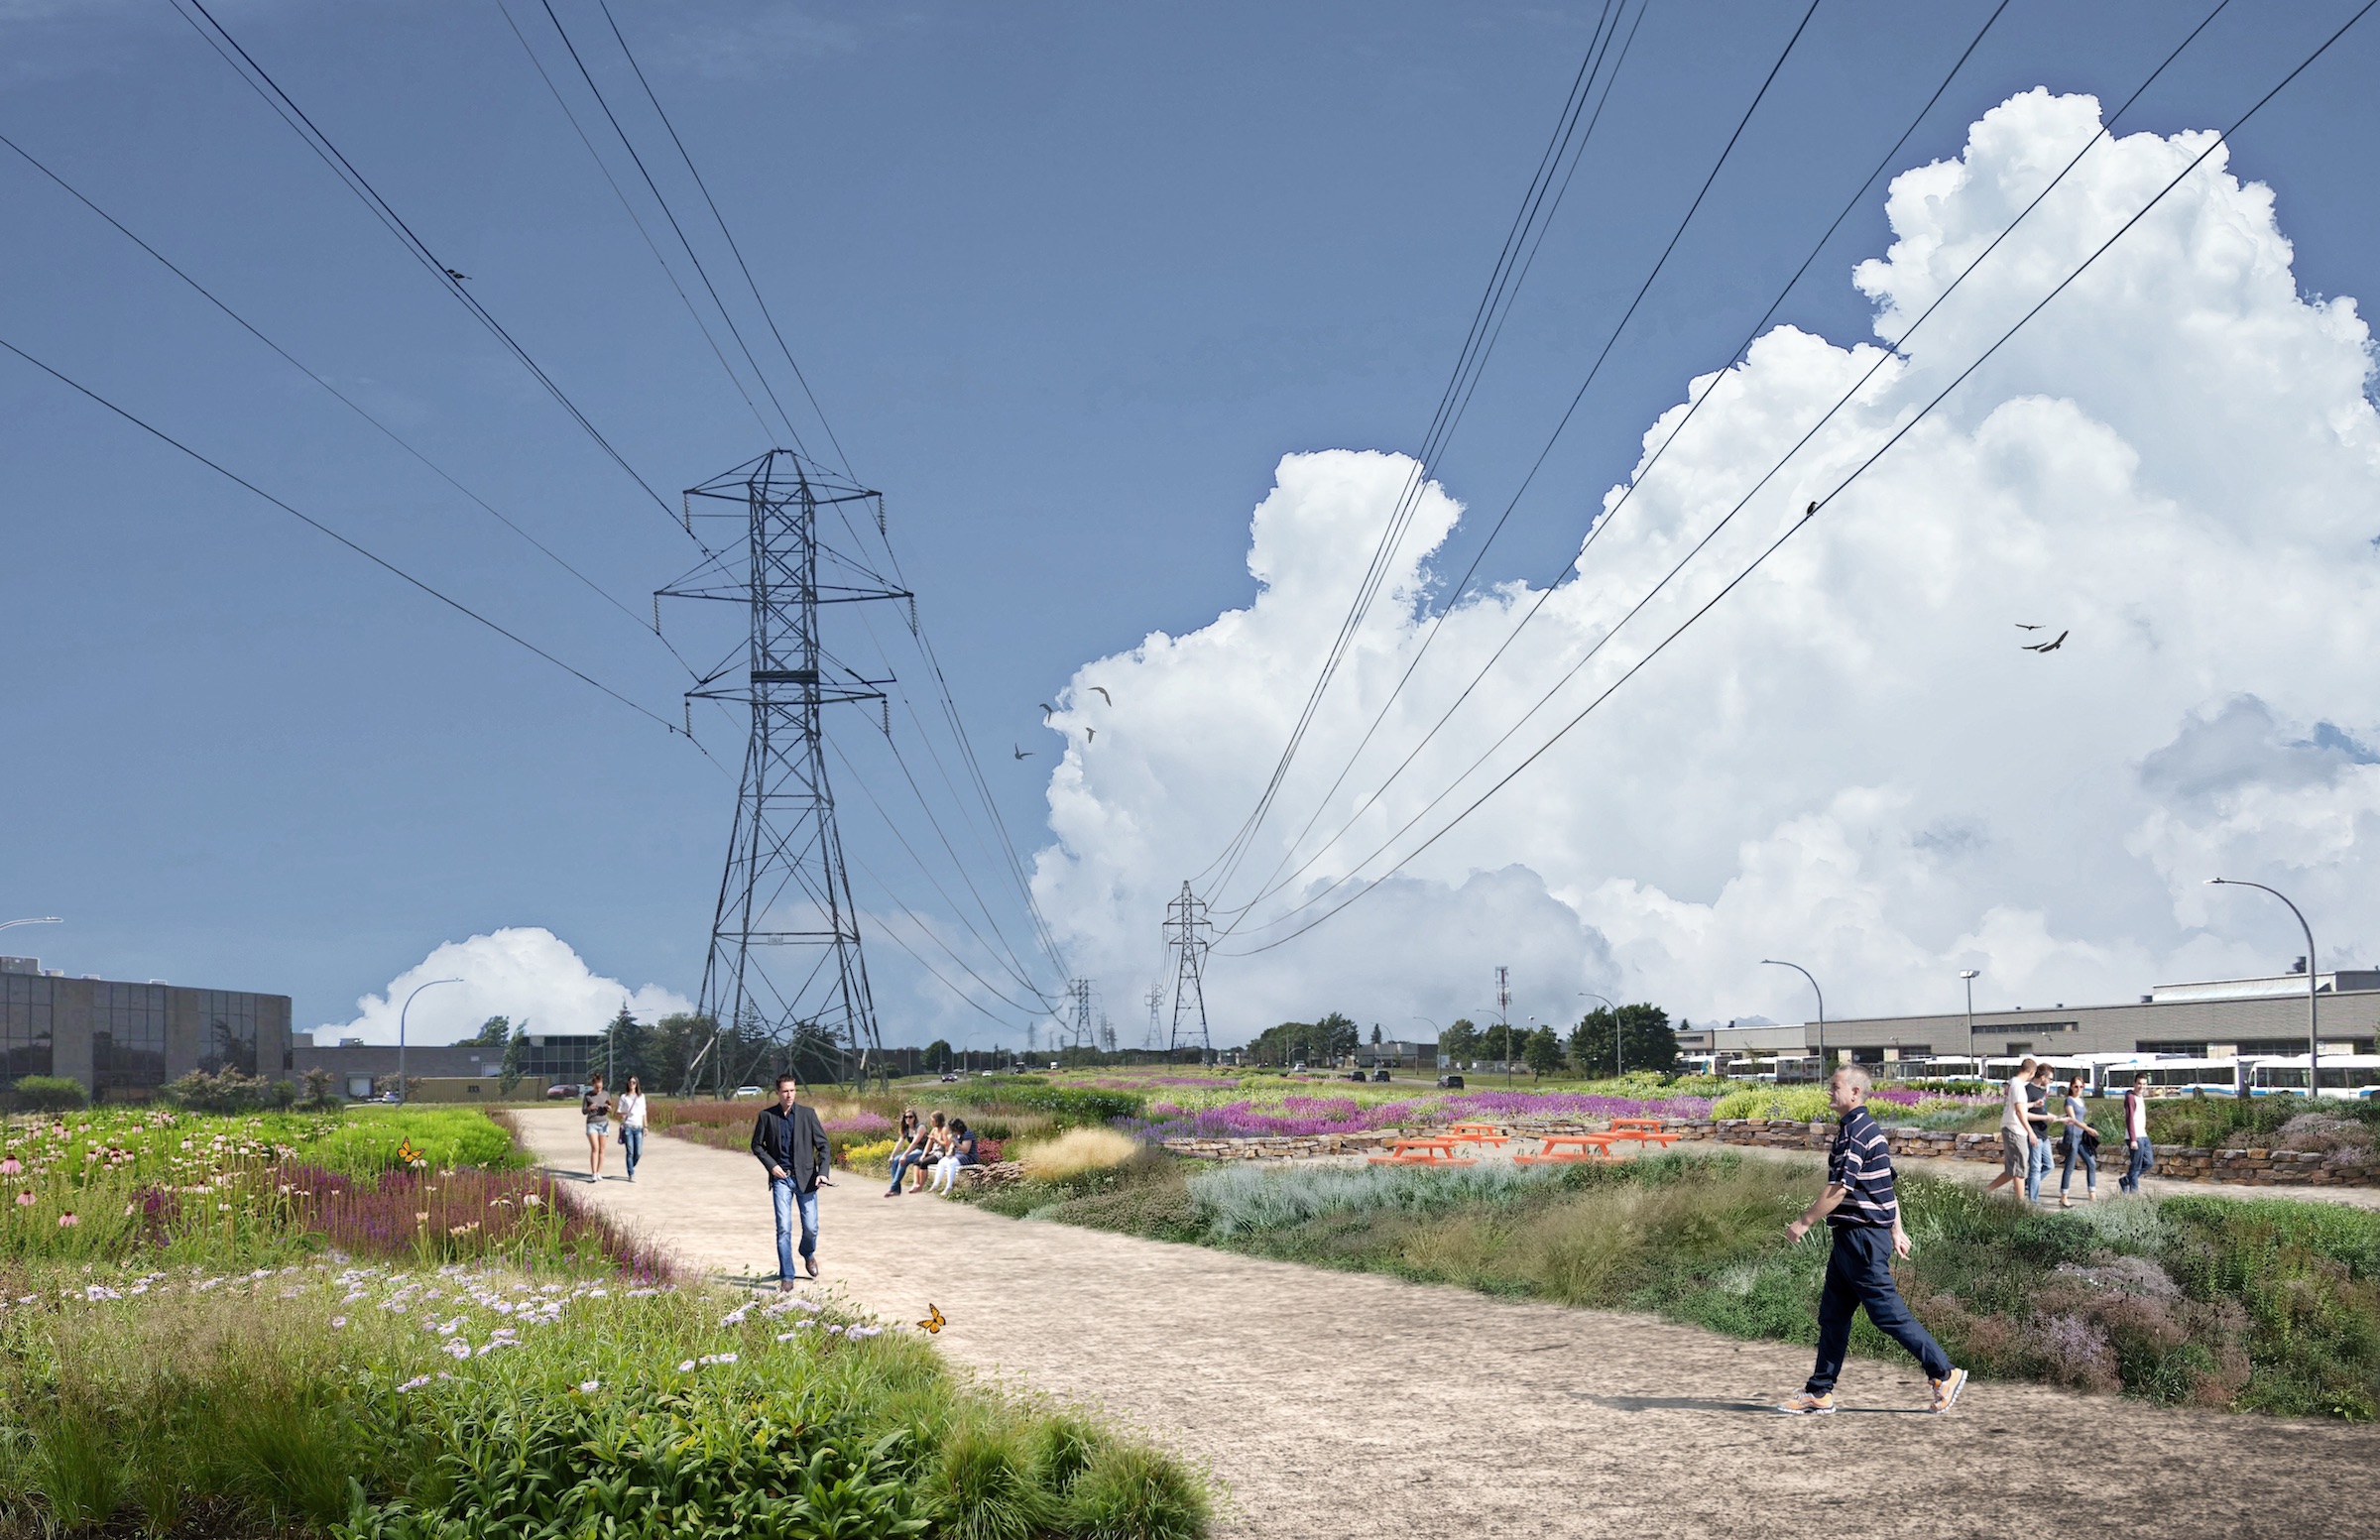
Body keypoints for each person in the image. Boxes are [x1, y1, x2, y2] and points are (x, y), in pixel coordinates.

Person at [1776, 1065, 1966, 1416]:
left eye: (1834, 1087)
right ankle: (1819, 1391)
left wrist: (1803, 1222)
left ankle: (1944, 1372)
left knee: (1887, 1315)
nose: (1828, 1092)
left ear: (1854, 1093)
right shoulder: (1860, 1129)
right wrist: (1896, 1229)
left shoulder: (1857, 1132)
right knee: (1832, 1316)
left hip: (1862, 1240)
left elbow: (1839, 1189)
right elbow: (1884, 1185)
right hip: (1852, 1239)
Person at [750, 1073, 831, 1288]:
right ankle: (787, 1275)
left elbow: (823, 1146)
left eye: (792, 1090)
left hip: (807, 1179)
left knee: (811, 1227)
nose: (789, 1095)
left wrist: (823, 1172)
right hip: (782, 1179)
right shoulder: (767, 1116)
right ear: (777, 1092)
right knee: (784, 1227)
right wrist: (772, 1166)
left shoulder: (808, 1114)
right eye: (785, 1091)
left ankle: (807, 1253)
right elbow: (757, 1145)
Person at [1982, 1056, 2038, 1199]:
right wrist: (2030, 1131)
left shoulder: (2012, 1083)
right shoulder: (2019, 1086)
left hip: (2010, 1127)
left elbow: (2018, 1106)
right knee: (2019, 1171)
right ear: (2031, 1073)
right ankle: (2020, 1206)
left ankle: (1984, 1192)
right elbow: (2019, 1111)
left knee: (2012, 1170)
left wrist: (2032, 1105)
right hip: (2016, 1129)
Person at [2056, 1073, 2097, 1207]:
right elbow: (2073, 1120)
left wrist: (2086, 1129)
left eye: (2081, 1086)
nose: (2078, 1089)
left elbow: (2081, 1118)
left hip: (2081, 1137)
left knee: (2091, 1163)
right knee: (2069, 1166)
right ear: (2071, 1087)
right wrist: (2088, 1129)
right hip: (2072, 1135)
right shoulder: (2069, 1100)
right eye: (2076, 1086)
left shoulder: (2081, 1100)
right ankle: (2063, 1196)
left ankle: (2092, 1194)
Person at [2024, 1062, 2058, 1204]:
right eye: (2050, 1078)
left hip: (2044, 1134)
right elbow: (2023, 1113)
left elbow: (2041, 1111)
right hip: (2034, 1133)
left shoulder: (2041, 1091)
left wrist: (2053, 1117)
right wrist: (2045, 1117)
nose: (2050, 1081)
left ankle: (2026, 1184)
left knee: (2049, 1165)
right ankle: (2034, 1201)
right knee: (2035, 1168)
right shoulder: (2028, 1090)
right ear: (2043, 1077)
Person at [2120, 1073, 2155, 1195]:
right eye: (2139, 1083)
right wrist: (2133, 1139)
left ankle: (2125, 1180)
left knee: (2149, 1162)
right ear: (2134, 1083)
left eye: (2144, 1084)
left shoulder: (2140, 1097)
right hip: (2134, 1137)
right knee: (2135, 1167)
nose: (2141, 1086)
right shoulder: (2131, 1098)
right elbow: (2130, 1119)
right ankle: (2134, 1196)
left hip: (2143, 1135)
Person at [929, 1118, 981, 1195]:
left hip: (969, 1157)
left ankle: (949, 1187)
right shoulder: (955, 1135)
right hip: (958, 1156)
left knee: (951, 1163)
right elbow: (952, 1147)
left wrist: (955, 1142)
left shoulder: (967, 1134)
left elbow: (966, 1150)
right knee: (942, 1162)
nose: (951, 1131)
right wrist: (949, 1152)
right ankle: (935, 1184)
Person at [883, 1109, 925, 1198]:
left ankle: (892, 1188)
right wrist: (891, 1156)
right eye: (906, 1117)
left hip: (923, 1151)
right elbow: (899, 1143)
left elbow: (915, 1143)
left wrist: (904, 1155)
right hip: (914, 1151)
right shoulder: (906, 1129)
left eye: (910, 1117)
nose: (908, 1119)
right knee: (894, 1161)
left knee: (903, 1161)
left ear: (914, 1118)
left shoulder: (920, 1127)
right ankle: (896, 1190)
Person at [617, 1075, 648, 1183]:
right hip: (628, 1127)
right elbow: (619, 1111)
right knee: (630, 1151)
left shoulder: (641, 1096)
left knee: (638, 1152)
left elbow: (644, 1112)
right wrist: (624, 1114)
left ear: (637, 1084)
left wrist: (646, 1126)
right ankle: (631, 1173)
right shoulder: (623, 1097)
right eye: (630, 1082)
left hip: (638, 1127)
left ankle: (631, 1166)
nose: (632, 1084)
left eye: (634, 1082)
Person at [581, 1075, 612, 1179]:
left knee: (602, 1150)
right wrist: (589, 1108)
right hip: (592, 1123)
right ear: (593, 1085)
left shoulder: (606, 1094)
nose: (598, 1089)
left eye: (600, 1087)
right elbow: (583, 1111)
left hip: (603, 1123)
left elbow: (610, 1107)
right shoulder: (588, 1095)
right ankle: (593, 1173)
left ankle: (599, 1172)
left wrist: (608, 1108)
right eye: (596, 1087)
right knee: (595, 1148)